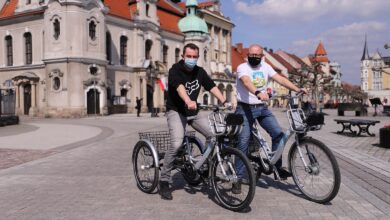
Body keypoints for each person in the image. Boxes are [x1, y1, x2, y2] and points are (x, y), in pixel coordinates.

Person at [159, 43, 230, 200]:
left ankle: (204, 167)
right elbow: (179, 87)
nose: (191, 59)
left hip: (193, 111)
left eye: (194, 57)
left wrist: (225, 101)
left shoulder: (200, 71)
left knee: (213, 135)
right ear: (183, 56)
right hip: (176, 111)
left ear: (197, 57)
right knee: (176, 144)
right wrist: (187, 100)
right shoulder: (175, 70)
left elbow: (211, 86)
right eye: (188, 56)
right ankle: (164, 180)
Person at [234, 44, 306, 186]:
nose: (254, 57)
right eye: (251, 55)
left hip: (262, 108)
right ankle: (238, 177)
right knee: (243, 141)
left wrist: (297, 89)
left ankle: (277, 168)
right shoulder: (242, 67)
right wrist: (258, 92)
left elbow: (280, 79)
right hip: (244, 109)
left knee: (278, 134)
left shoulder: (265, 67)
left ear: (262, 56)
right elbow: (246, 82)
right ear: (247, 55)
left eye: (257, 55)